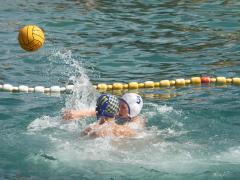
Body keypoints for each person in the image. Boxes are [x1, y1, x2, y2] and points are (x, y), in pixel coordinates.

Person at [63, 93, 145, 129]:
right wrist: (79, 113)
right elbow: (99, 110)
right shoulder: (120, 113)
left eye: (123, 107)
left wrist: (102, 126)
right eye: (119, 103)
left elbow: (123, 131)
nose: (118, 108)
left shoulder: (136, 123)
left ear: (132, 112)